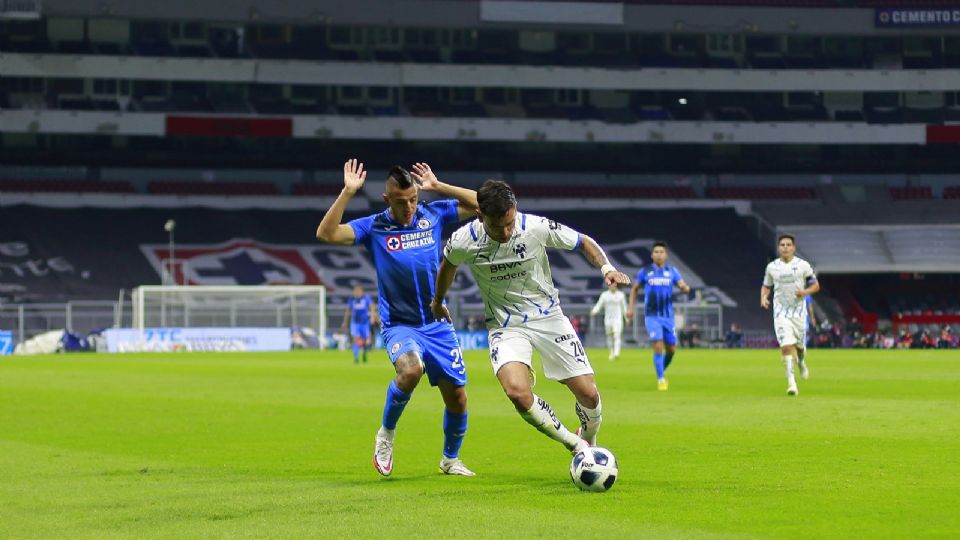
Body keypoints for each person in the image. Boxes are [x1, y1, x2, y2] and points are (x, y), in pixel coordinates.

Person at [431, 180, 630, 454]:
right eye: (497, 226)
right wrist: (438, 301)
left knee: (589, 394)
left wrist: (606, 268)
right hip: (505, 326)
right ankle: (575, 446)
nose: (506, 231)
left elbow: (583, 242)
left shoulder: (535, 227)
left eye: (510, 223)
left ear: (515, 210)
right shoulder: (464, 240)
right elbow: (447, 268)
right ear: (480, 215)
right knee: (516, 392)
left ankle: (588, 438)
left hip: (548, 317)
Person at [316, 159, 479, 477]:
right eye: (402, 201)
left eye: (414, 199)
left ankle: (450, 460)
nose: (409, 207)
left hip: (436, 322)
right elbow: (326, 234)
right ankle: (386, 435)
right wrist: (348, 193)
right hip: (400, 325)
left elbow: (481, 203)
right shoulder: (374, 226)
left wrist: (439, 186)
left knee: (457, 398)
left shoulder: (433, 214)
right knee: (411, 370)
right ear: (387, 199)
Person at [626, 241, 691, 391]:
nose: (659, 254)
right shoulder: (646, 271)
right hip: (652, 316)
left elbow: (683, 286)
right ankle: (661, 379)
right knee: (658, 346)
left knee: (672, 350)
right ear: (652, 255)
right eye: (656, 252)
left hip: (668, 316)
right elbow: (634, 289)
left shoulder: (672, 271)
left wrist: (685, 288)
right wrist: (631, 307)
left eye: (661, 252)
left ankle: (661, 369)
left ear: (666, 255)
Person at [761, 233, 819, 396]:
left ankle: (801, 361)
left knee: (799, 348)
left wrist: (805, 292)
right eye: (782, 245)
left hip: (799, 313)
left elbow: (816, 286)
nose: (785, 247)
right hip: (780, 313)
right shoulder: (772, 267)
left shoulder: (803, 265)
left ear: (794, 248)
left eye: (788, 245)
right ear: (778, 248)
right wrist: (764, 297)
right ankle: (792, 384)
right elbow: (766, 285)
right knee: (786, 346)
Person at [591, 283, 628, 360]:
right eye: (611, 285)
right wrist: (594, 311)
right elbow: (599, 304)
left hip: (618, 319)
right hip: (608, 319)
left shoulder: (621, 295)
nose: (613, 287)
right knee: (609, 336)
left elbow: (624, 307)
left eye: (614, 285)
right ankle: (611, 352)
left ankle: (616, 353)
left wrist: (626, 318)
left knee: (617, 335)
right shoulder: (604, 295)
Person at [341, 285, 373, 364]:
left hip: (364, 323)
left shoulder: (366, 298)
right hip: (355, 323)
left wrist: (372, 317)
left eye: (358, 291)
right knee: (355, 339)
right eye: (356, 291)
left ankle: (364, 353)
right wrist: (345, 321)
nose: (357, 293)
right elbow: (348, 310)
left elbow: (372, 307)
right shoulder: (352, 299)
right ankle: (356, 358)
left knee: (365, 341)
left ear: (362, 292)